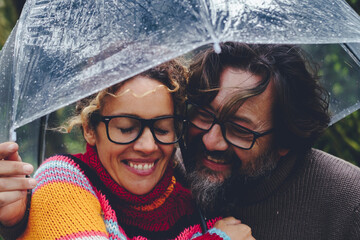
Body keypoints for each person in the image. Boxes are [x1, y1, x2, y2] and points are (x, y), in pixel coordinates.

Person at [0, 60, 254, 239]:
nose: (147, 146)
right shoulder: (63, 179)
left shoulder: (197, 191)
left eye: (163, 129)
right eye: (126, 128)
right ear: (90, 128)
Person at [184, 42, 360, 239]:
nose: (210, 141)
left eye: (238, 129)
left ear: (284, 139)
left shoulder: (349, 202)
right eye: (204, 115)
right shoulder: (165, 172)